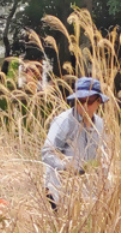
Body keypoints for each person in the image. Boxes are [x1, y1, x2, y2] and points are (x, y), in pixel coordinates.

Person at [40, 76, 108, 209]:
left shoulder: (100, 124)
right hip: (60, 189)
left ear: (99, 101)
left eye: (88, 101)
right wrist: (65, 165)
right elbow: (47, 152)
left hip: (86, 192)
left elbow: (103, 153)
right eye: (79, 101)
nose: (83, 106)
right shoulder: (64, 121)